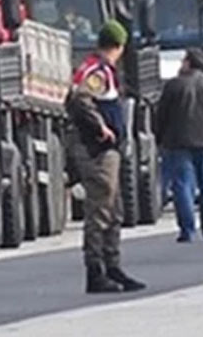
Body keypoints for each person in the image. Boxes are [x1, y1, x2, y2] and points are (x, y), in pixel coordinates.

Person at [66, 21, 146, 294]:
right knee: (100, 210)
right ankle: (95, 271)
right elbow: (80, 99)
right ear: (119, 46)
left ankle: (113, 267)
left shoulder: (101, 70)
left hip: (105, 151)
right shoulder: (97, 71)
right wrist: (100, 127)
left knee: (114, 210)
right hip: (97, 151)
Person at [155, 49, 203, 243]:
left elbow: (161, 115)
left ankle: (187, 230)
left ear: (187, 62)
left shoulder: (173, 85)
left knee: (183, 186)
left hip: (177, 142)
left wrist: (159, 139)